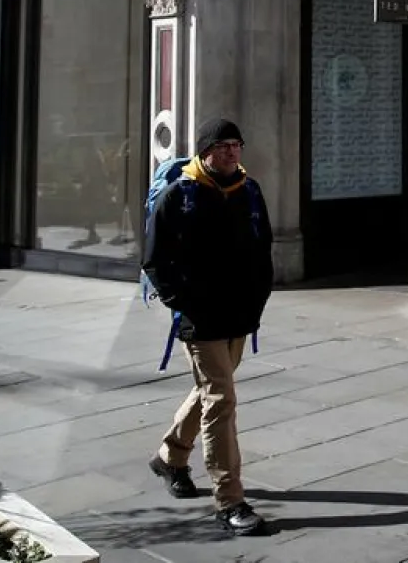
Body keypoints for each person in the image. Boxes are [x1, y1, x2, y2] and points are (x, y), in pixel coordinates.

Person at [141, 119, 274, 536]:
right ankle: (229, 500)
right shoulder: (181, 194)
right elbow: (154, 258)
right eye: (222, 145)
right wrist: (183, 303)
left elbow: (263, 247)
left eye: (237, 144)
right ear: (205, 151)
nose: (232, 152)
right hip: (201, 317)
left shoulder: (249, 190)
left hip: (240, 314)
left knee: (211, 391)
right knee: (221, 399)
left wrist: (258, 297)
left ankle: (171, 456)